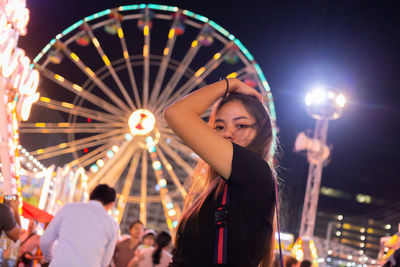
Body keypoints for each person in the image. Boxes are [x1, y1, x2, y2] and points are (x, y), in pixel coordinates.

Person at [164, 77, 277, 267]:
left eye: (240, 125)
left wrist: (230, 83)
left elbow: (175, 113)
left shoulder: (254, 171)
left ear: (262, 131)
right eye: (219, 127)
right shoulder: (224, 186)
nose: (227, 133)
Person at [40, 184, 119, 267]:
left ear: (90, 195)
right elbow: (104, 262)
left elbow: (45, 241)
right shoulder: (112, 224)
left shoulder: (69, 208)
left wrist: (49, 258)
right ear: (111, 204)